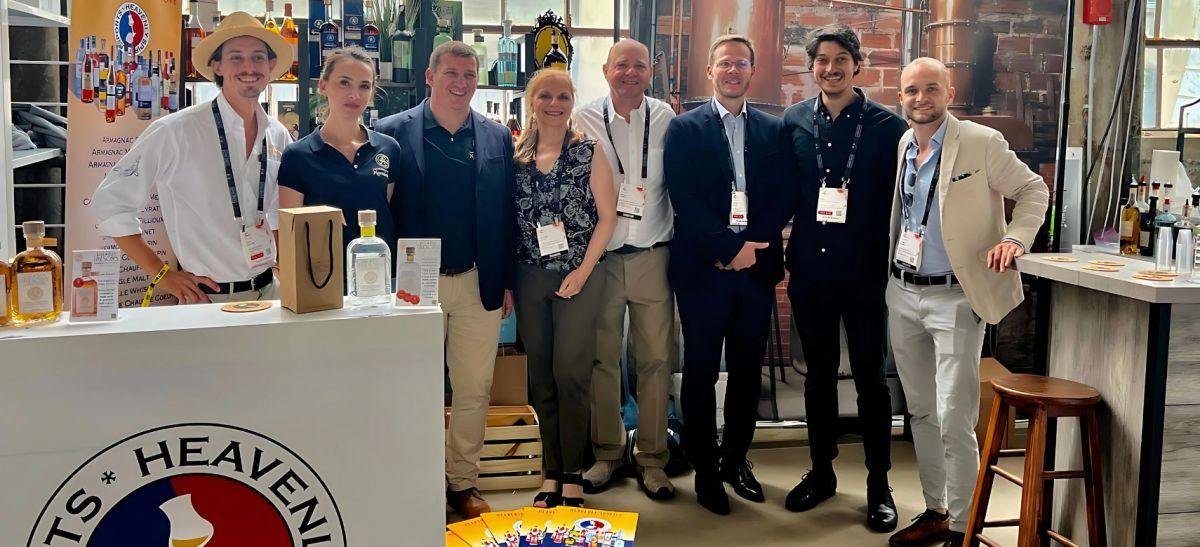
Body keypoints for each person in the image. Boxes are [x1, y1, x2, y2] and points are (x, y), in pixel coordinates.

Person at [885, 57, 1048, 547]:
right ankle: (936, 510)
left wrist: (1016, 240)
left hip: (956, 295)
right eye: (911, 90)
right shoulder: (904, 144)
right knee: (920, 412)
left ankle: (963, 524)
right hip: (902, 290)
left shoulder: (980, 142)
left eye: (930, 88)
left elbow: (1032, 189)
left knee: (955, 414)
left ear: (949, 91)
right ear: (901, 97)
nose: (921, 98)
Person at [376, 41, 516, 519]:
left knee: (475, 388)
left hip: (479, 280)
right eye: (452, 73)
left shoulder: (497, 137)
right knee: (416, 387)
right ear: (430, 77)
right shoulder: (391, 134)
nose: (461, 83)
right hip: (415, 286)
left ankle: (462, 483)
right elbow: (381, 211)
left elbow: (507, 215)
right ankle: (416, 477)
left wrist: (508, 281)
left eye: (470, 75)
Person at [664, 34, 796, 515]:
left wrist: (749, 248)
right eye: (724, 64)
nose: (733, 71)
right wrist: (726, 248)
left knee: (746, 371)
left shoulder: (773, 129)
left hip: (755, 271)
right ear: (710, 72)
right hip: (704, 269)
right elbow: (685, 200)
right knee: (699, 372)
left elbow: (783, 195)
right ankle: (704, 469)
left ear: (751, 71)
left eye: (741, 63)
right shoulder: (684, 129)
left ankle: (736, 459)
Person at [781, 28, 907, 532]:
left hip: (865, 273)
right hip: (811, 270)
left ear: (858, 65)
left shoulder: (888, 127)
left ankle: (879, 483)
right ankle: (822, 472)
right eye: (822, 61)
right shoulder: (793, 121)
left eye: (840, 60)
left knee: (872, 381)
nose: (830, 69)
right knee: (818, 378)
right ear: (811, 67)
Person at [91, 12, 294, 304]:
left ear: (271, 65)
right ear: (217, 65)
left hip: (270, 294)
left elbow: (276, 214)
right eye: (236, 57)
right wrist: (162, 274)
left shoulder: (277, 134)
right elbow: (110, 205)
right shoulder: (174, 131)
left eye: (258, 57)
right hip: (207, 302)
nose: (249, 66)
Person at [573, 38, 678, 500]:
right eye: (622, 65)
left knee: (655, 359)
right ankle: (607, 452)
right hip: (602, 260)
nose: (630, 73)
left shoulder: (667, 118)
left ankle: (653, 458)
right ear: (605, 70)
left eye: (639, 65)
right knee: (601, 358)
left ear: (649, 73)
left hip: (653, 255)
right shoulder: (584, 118)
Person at [513, 68, 617, 509]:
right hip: (530, 277)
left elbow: (608, 218)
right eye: (545, 96)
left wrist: (584, 269)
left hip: (579, 275)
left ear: (573, 102)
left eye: (563, 96)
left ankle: (574, 470)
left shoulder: (589, 152)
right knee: (540, 376)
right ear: (532, 102)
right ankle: (550, 471)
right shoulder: (515, 156)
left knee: (571, 373)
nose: (554, 104)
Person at [278, 47, 400, 257]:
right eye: (344, 82)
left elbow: (387, 213)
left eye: (364, 86)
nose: (354, 94)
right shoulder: (297, 156)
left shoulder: (388, 149)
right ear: (323, 86)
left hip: (378, 276)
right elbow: (290, 234)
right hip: (321, 279)